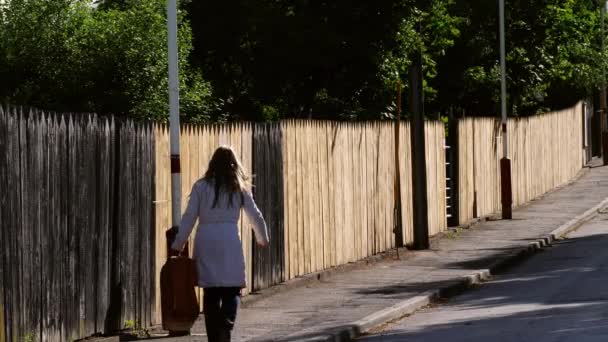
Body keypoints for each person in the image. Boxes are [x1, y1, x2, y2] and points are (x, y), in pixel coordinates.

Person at [170, 146, 269, 342]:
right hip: (229, 241)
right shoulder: (238, 187)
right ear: (234, 164)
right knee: (233, 289)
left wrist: (178, 243)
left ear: (212, 164)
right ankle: (227, 323)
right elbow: (254, 215)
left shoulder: (201, 186)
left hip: (206, 240)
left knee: (211, 291)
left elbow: (189, 217)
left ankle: (214, 337)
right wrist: (262, 238)